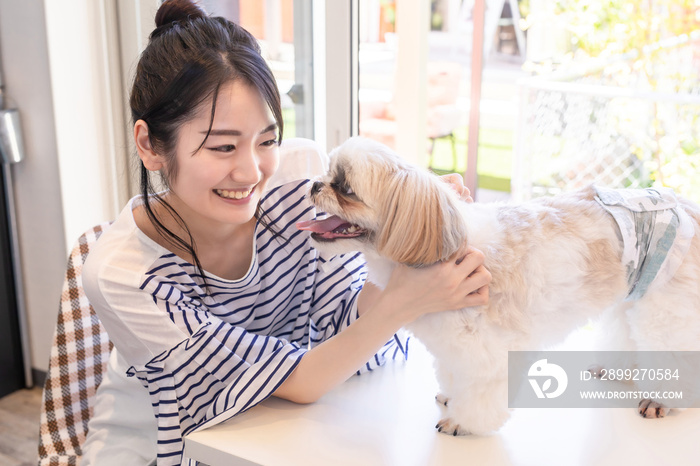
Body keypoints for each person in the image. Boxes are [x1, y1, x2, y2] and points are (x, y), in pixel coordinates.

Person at [80, 1, 491, 464]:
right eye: (223, 146)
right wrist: (407, 299)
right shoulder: (124, 273)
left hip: (279, 433)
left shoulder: (299, 179)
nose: (252, 171)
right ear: (150, 145)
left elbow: (348, 319)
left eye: (267, 140)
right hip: (167, 448)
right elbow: (298, 381)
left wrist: (406, 232)